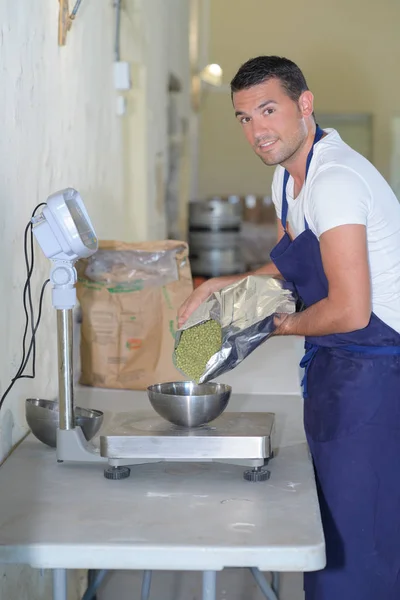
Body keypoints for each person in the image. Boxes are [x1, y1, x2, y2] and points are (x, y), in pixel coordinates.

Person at [178, 55, 400, 599]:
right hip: (336, 360)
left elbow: (350, 309)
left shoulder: (336, 181)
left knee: (362, 531)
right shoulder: (286, 178)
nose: (258, 131)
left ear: (305, 105)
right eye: (245, 118)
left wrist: (276, 326)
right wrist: (221, 284)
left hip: (378, 367)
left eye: (269, 110)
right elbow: (297, 258)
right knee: (327, 522)